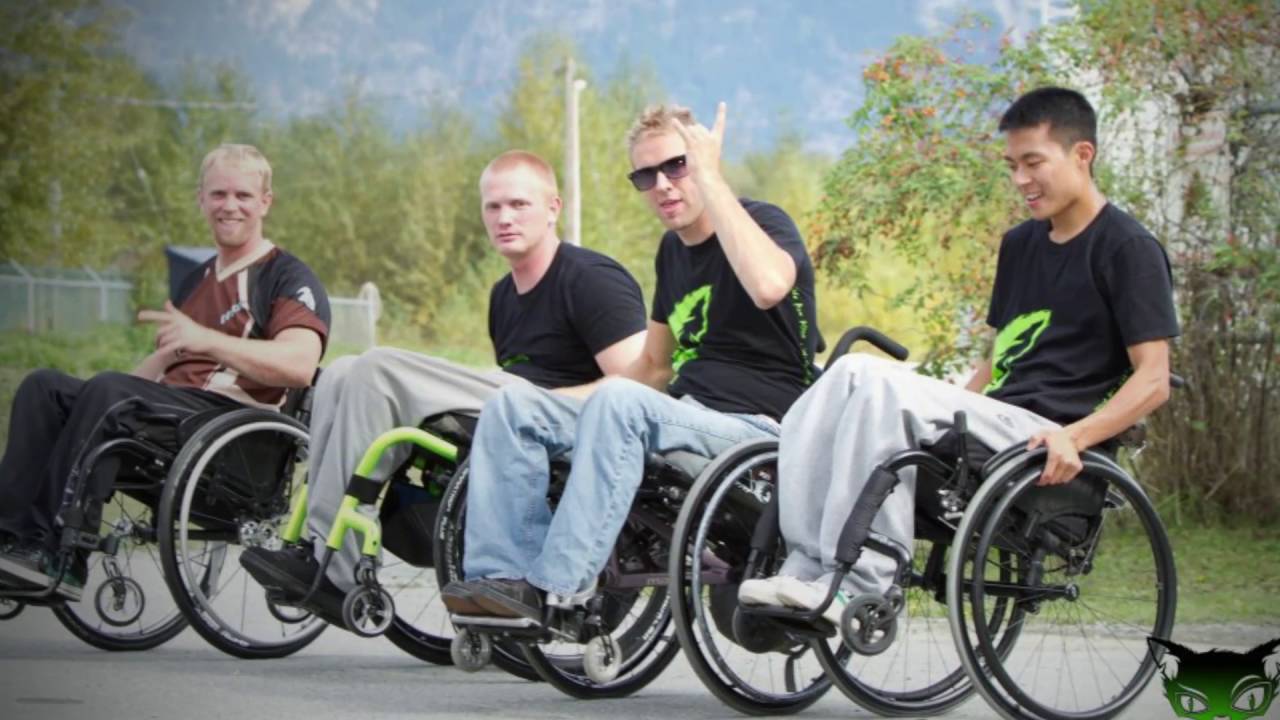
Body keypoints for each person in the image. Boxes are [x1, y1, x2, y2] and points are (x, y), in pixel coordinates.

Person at [740, 87, 1180, 624]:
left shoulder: (1128, 248)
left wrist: (1077, 436)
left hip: (1045, 432)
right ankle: (806, 567)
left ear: (1082, 154)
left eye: (1033, 162)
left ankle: (862, 584)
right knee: (839, 382)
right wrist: (949, 402)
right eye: (1012, 165)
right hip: (996, 420)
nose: (1020, 180)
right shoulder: (1020, 244)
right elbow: (1000, 360)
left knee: (869, 376)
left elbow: (1154, 379)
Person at [442, 102, 821, 620]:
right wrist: (548, 404)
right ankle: (500, 581)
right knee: (513, 406)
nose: (662, 185)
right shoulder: (672, 253)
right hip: (685, 415)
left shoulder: (763, 221)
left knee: (624, 403)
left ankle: (557, 588)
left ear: (705, 162)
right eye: (646, 175)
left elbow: (770, 286)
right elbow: (651, 369)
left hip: (760, 429)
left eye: (677, 166)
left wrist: (711, 179)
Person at [240, 150, 647, 623]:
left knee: (377, 368)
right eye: (493, 207)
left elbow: (633, 388)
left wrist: (544, 403)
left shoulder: (591, 278)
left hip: (564, 417)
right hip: (509, 410)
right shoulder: (503, 296)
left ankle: (335, 569)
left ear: (553, 207)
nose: (504, 218)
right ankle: (318, 546)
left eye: (519, 205)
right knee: (341, 374)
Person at [0, 144, 331, 599]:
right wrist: (122, 382)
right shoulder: (196, 280)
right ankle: (13, 538)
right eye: (218, 194)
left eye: (243, 195)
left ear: (265, 202)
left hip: (230, 433)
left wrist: (206, 340)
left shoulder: (285, 276)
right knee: (45, 388)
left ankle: (62, 552)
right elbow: (143, 378)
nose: (229, 205)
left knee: (110, 392)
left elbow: (299, 365)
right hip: (169, 416)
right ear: (200, 199)